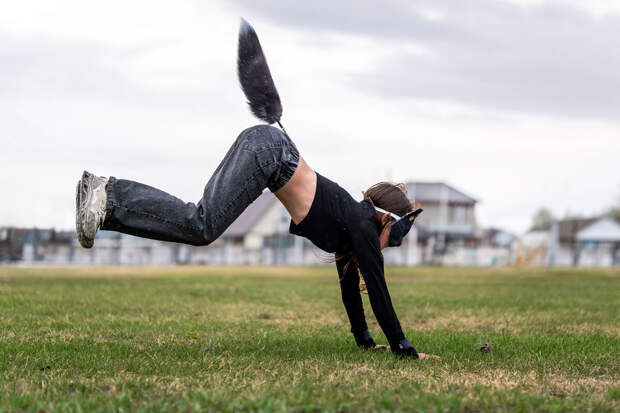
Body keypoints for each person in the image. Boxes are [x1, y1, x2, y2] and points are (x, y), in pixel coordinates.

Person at [75, 19, 440, 360]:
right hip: (269, 153)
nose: (395, 244)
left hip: (267, 152)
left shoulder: (352, 234)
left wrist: (365, 342)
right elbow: (377, 289)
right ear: (385, 218)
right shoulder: (361, 222)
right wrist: (404, 350)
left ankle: (104, 206)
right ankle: (109, 194)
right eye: (399, 235)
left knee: (200, 224)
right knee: (201, 225)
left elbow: (352, 290)